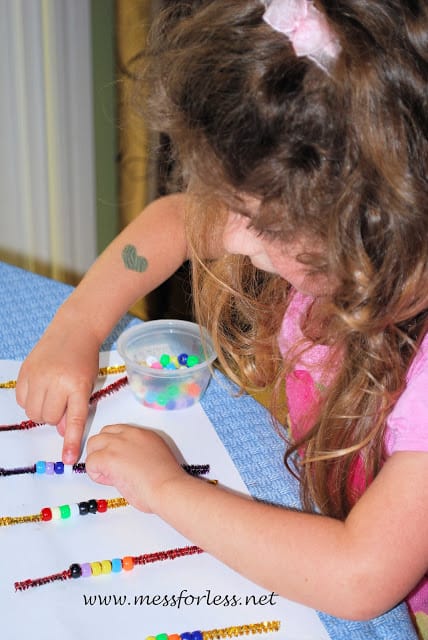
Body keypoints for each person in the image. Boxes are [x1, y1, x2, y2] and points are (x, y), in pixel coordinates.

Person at [15, 0, 428, 632]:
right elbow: (173, 221)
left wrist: (168, 490)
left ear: (377, 227)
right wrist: (78, 325)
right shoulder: (348, 241)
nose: (231, 242)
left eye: (261, 225)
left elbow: (358, 578)